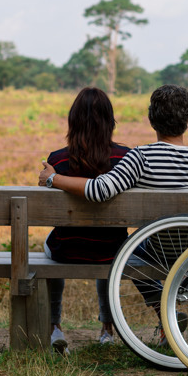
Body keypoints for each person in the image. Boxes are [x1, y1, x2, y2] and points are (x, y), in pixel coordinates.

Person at [40, 84, 188, 348]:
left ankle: (163, 311)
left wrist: (53, 179)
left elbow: (101, 189)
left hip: (159, 248)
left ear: (151, 120)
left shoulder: (140, 158)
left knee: (124, 247)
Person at [41, 87, 130, 354]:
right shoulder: (125, 159)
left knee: (46, 249)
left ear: (73, 121)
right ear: (109, 121)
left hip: (67, 249)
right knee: (108, 247)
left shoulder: (56, 161)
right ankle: (107, 330)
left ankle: (55, 326)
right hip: (112, 251)